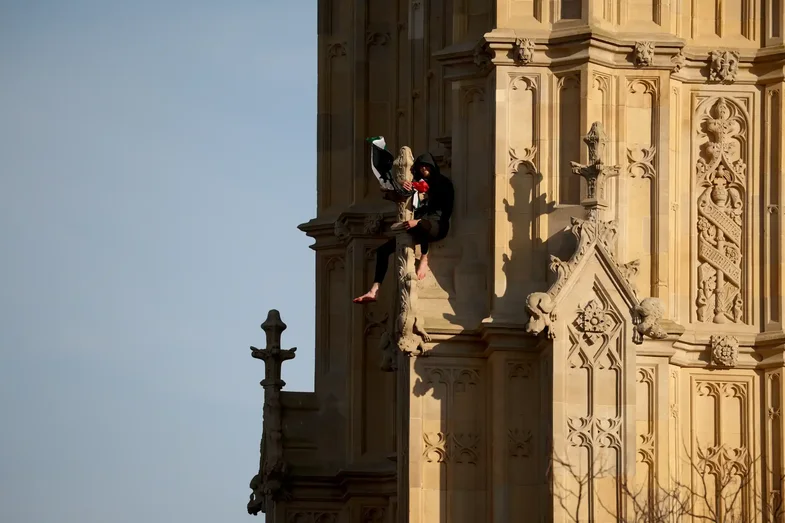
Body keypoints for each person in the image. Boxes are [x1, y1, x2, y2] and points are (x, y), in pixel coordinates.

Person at [353, 152, 454, 304]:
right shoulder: (418, 183)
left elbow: (445, 211)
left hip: (437, 225)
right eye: (421, 167)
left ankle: (425, 258)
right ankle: (374, 290)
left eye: (426, 166)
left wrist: (419, 219)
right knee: (383, 251)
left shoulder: (442, 183)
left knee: (422, 225)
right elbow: (389, 191)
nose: (424, 169)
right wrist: (402, 183)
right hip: (417, 226)